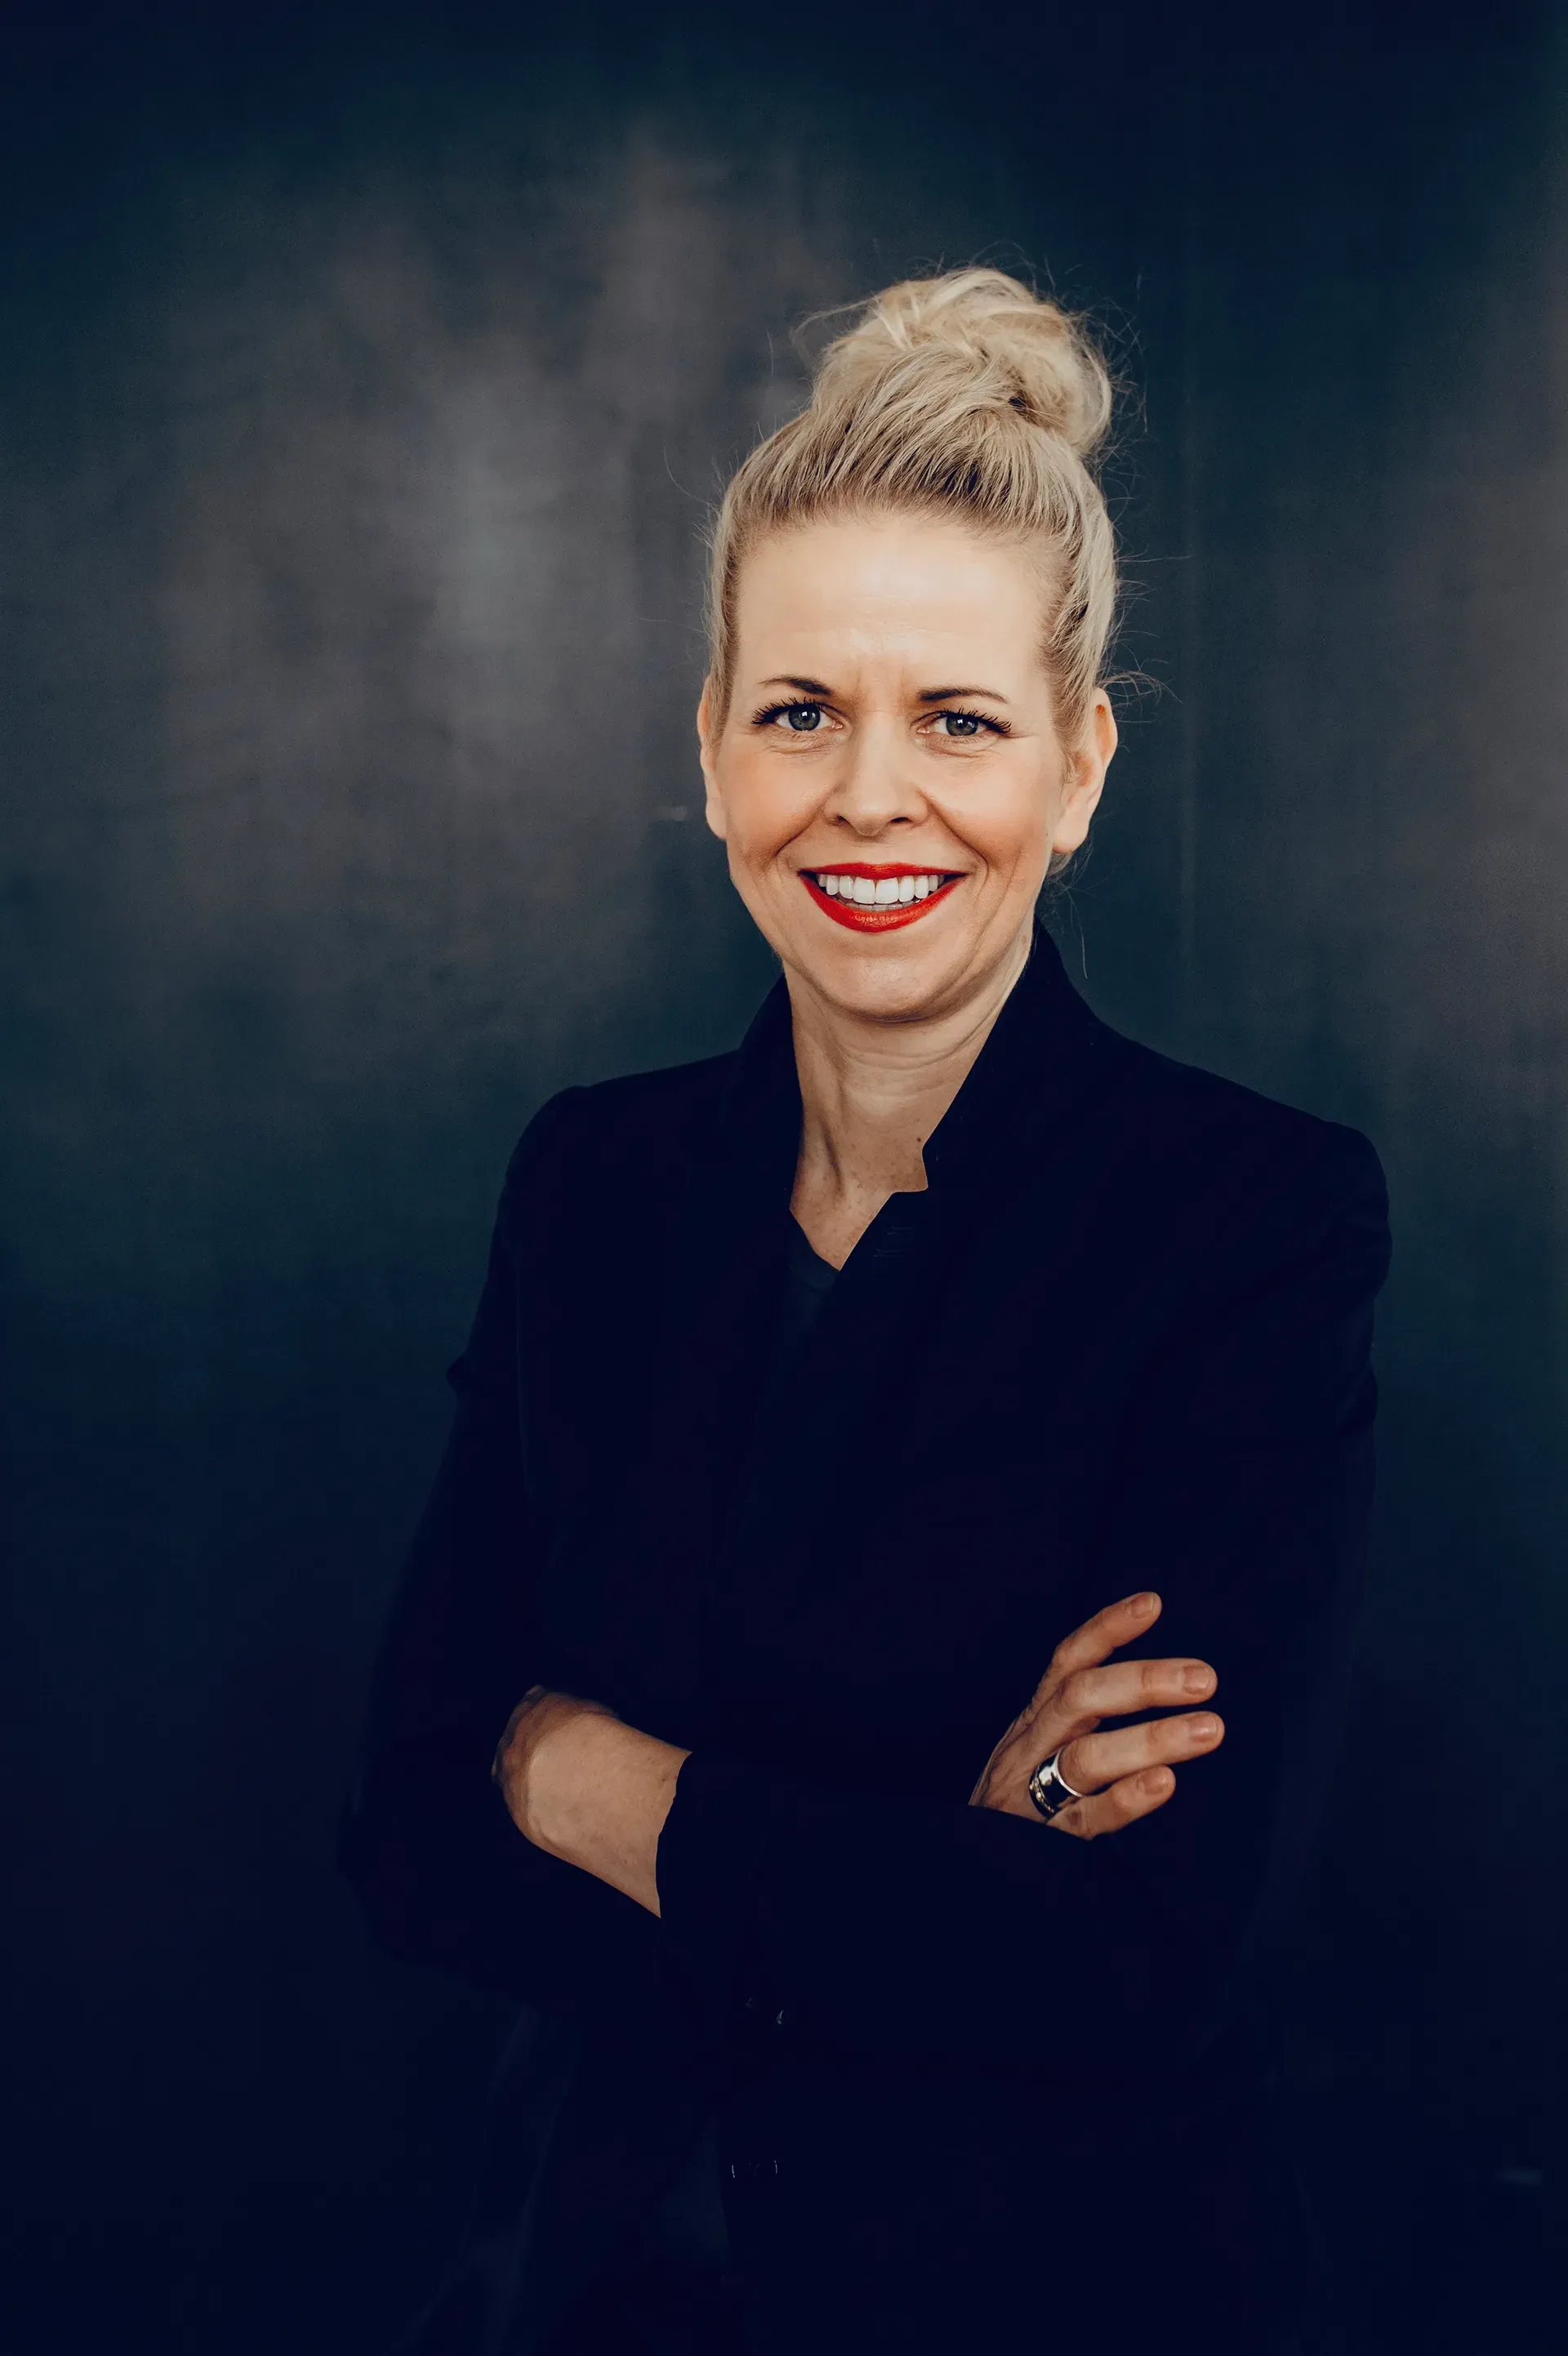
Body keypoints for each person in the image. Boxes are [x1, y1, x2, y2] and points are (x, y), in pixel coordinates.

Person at [340, 268, 1391, 2356]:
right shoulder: (594, 1184)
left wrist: (583, 1774)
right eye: (801, 709)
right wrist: (937, 1853)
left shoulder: (1249, 1219)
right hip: (601, 2284)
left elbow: (1128, 1964)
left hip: (1063, 2298)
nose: (870, 794)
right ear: (713, 746)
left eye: (962, 720)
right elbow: (404, 1828)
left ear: (1079, 768)